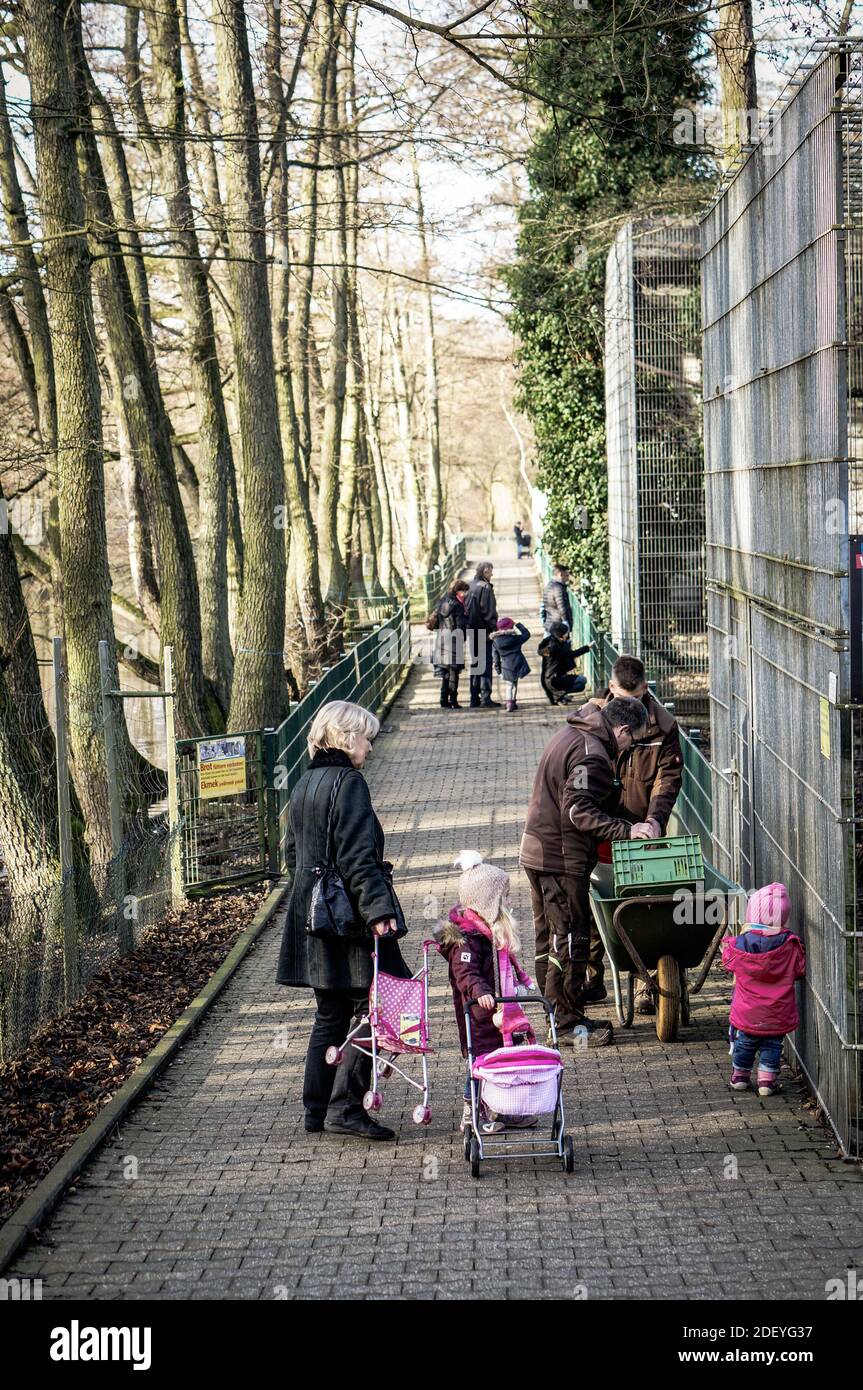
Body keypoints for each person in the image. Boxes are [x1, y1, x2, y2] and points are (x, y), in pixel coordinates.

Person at [275, 699, 410, 1141]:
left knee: (329, 1013)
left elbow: (291, 855)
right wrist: (379, 911)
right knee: (373, 1008)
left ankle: (315, 1109)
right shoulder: (349, 784)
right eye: (366, 738)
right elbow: (357, 857)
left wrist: (310, 896)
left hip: (312, 914)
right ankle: (347, 1107)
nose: (370, 748)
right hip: (348, 917)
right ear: (347, 736)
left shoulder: (304, 784)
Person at [519, 696, 650, 1047]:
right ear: (621, 729)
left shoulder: (575, 732)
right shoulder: (592, 752)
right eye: (631, 741)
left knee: (549, 938)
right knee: (570, 938)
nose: (628, 749)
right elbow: (577, 810)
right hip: (560, 858)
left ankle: (557, 1012)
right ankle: (566, 1025)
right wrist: (626, 830)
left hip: (539, 851)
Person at [585, 654, 684, 1008]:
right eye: (624, 699)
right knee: (595, 904)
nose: (632, 707)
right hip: (600, 830)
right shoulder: (591, 718)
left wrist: (656, 818)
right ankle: (591, 977)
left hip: (644, 834)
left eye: (638, 698)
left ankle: (646, 979)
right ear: (611, 687)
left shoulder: (663, 725)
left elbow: (668, 778)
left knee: (644, 908)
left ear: (646, 688)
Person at [435, 850, 537, 1133]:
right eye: (504, 897)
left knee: (505, 1062)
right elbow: (465, 973)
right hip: (478, 1015)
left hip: (498, 1012)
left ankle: (504, 1108)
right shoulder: (464, 941)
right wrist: (479, 990)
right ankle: (471, 1112)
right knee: (479, 1065)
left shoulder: (488, 933)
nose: (509, 902)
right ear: (487, 903)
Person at [722, 883, 805, 1097]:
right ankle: (766, 1081)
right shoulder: (790, 944)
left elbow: (728, 961)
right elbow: (799, 970)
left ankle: (740, 1076)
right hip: (777, 1011)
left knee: (745, 1042)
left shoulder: (740, 944)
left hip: (747, 1011)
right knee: (772, 1044)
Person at [465, 560, 499, 708]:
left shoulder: (470, 586)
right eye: (491, 571)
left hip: (472, 630)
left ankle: (474, 697)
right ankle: (486, 697)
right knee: (485, 663)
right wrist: (493, 628)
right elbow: (489, 611)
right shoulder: (485, 588)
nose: (492, 574)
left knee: (475, 663)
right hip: (484, 631)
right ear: (485, 571)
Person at [432, 578, 469, 709]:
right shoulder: (458, 606)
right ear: (458, 591)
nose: (465, 595)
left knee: (446, 673)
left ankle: (443, 699)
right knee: (454, 672)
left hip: (441, 640)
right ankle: (453, 700)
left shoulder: (442, 601)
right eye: (464, 592)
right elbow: (461, 626)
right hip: (454, 642)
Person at [538, 621, 591, 704]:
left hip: (547, 679)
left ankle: (558, 696)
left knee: (577, 681)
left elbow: (541, 650)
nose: (567, 634)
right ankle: (559, 695)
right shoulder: (556, 647)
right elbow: (572, 654)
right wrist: (587, 647)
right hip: (553, 680)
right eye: (566, 633)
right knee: (582, 681)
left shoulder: (551, 641)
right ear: (560, 635)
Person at [491, 616, 531, 712]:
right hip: (517, 663)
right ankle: (512, 702)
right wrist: (518, 624)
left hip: (506, 666)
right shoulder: (515, 638)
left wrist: (498, 670)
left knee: (509, 685)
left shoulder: (495, 642)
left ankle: (509, 703)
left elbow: (495, 658)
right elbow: (527, 634)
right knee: (515, 683)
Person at [540, 564, 573, 632]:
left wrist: (544, 622)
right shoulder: (558, 589)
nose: (567, 578)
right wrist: (565, 622)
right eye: (566, 575)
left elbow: (543, 607)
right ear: (560, 574)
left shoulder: (549, 585)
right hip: (559, 627)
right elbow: (561, 607)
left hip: (549, 623)